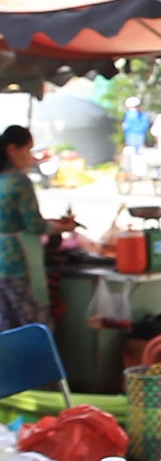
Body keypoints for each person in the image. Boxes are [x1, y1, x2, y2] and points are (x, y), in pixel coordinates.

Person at [0, 126, 76, 330]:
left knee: (8, 330)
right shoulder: (19, 182)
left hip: (2, 265)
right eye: (27, 150)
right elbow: (34, 225)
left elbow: (12, 219)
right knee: (34, 328)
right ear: (12, 149)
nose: (30, 157)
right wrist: (62, 227)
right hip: (19, 261)